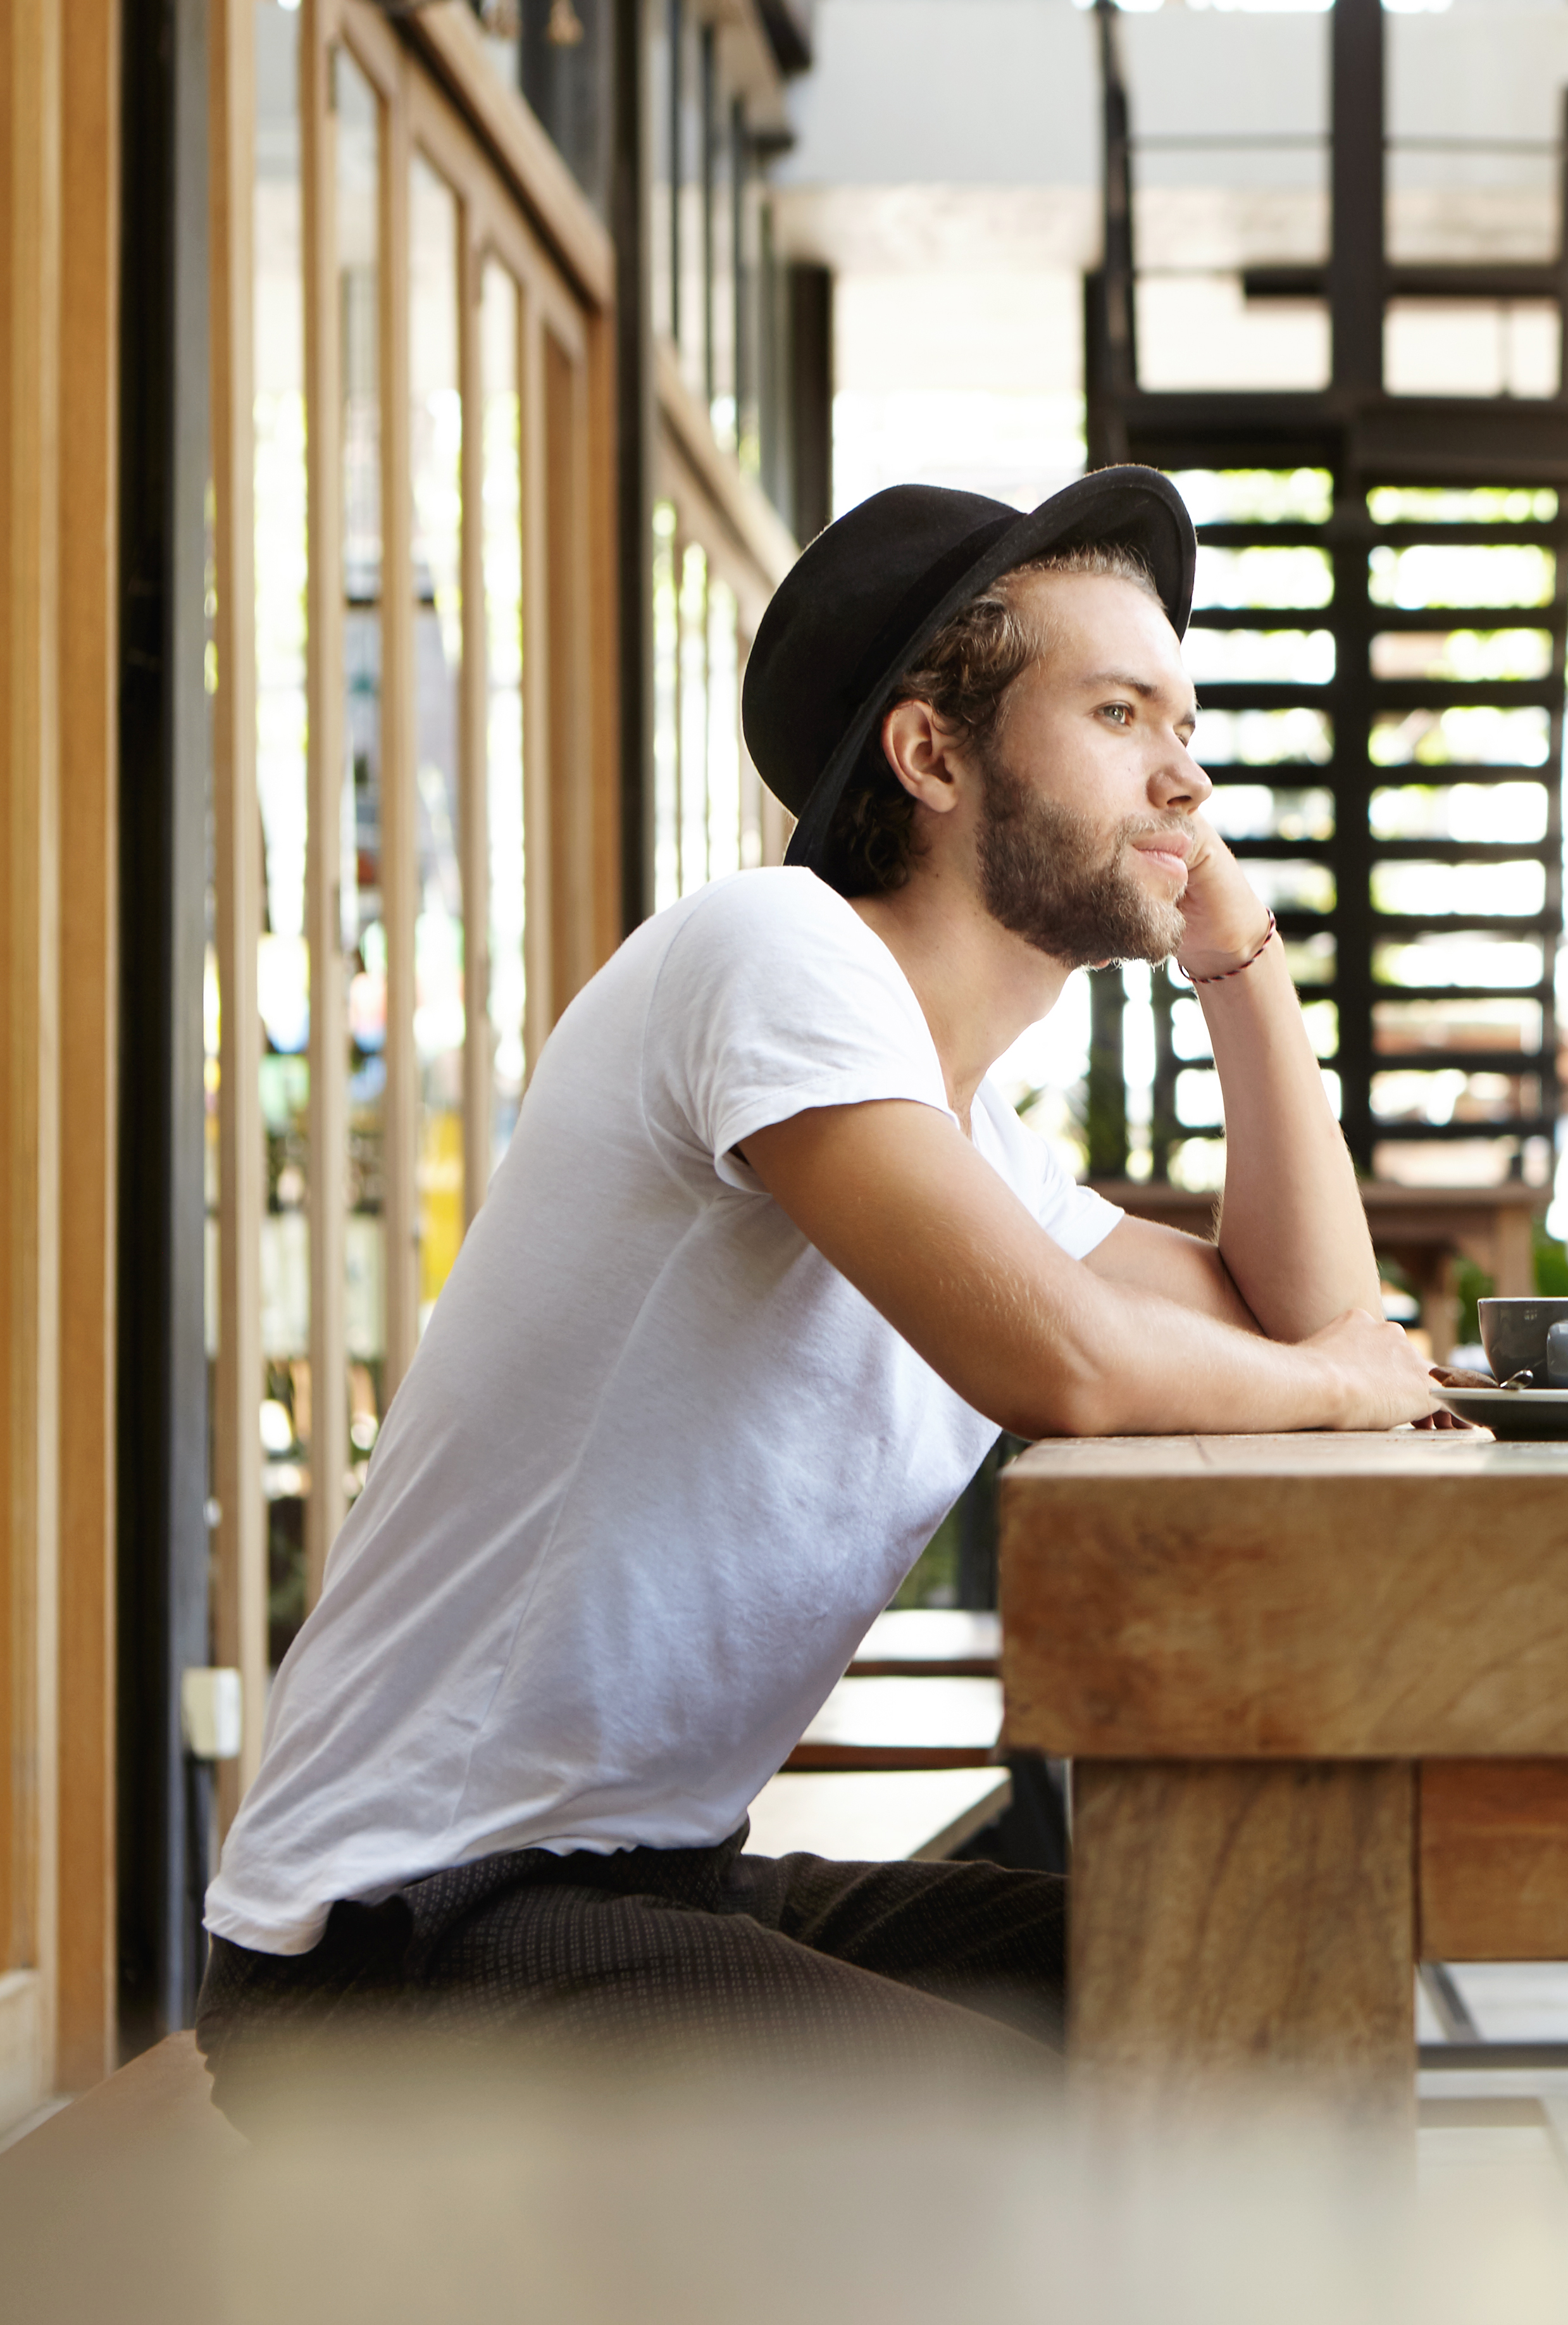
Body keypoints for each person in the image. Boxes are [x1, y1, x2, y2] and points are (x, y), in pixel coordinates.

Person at [194, 469, 1448, 2117]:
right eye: (1123, 711)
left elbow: (1301, 1311)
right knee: (1051, 2148)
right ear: (933, 754)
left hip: (655, 1886)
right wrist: (1354, 1388)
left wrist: (1243, 955)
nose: (1185, 773)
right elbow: (1074, 1363)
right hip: (402, 1936)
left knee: (1259, 1988)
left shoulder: (959, 1132)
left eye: (1186, 720)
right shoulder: (773, 954)